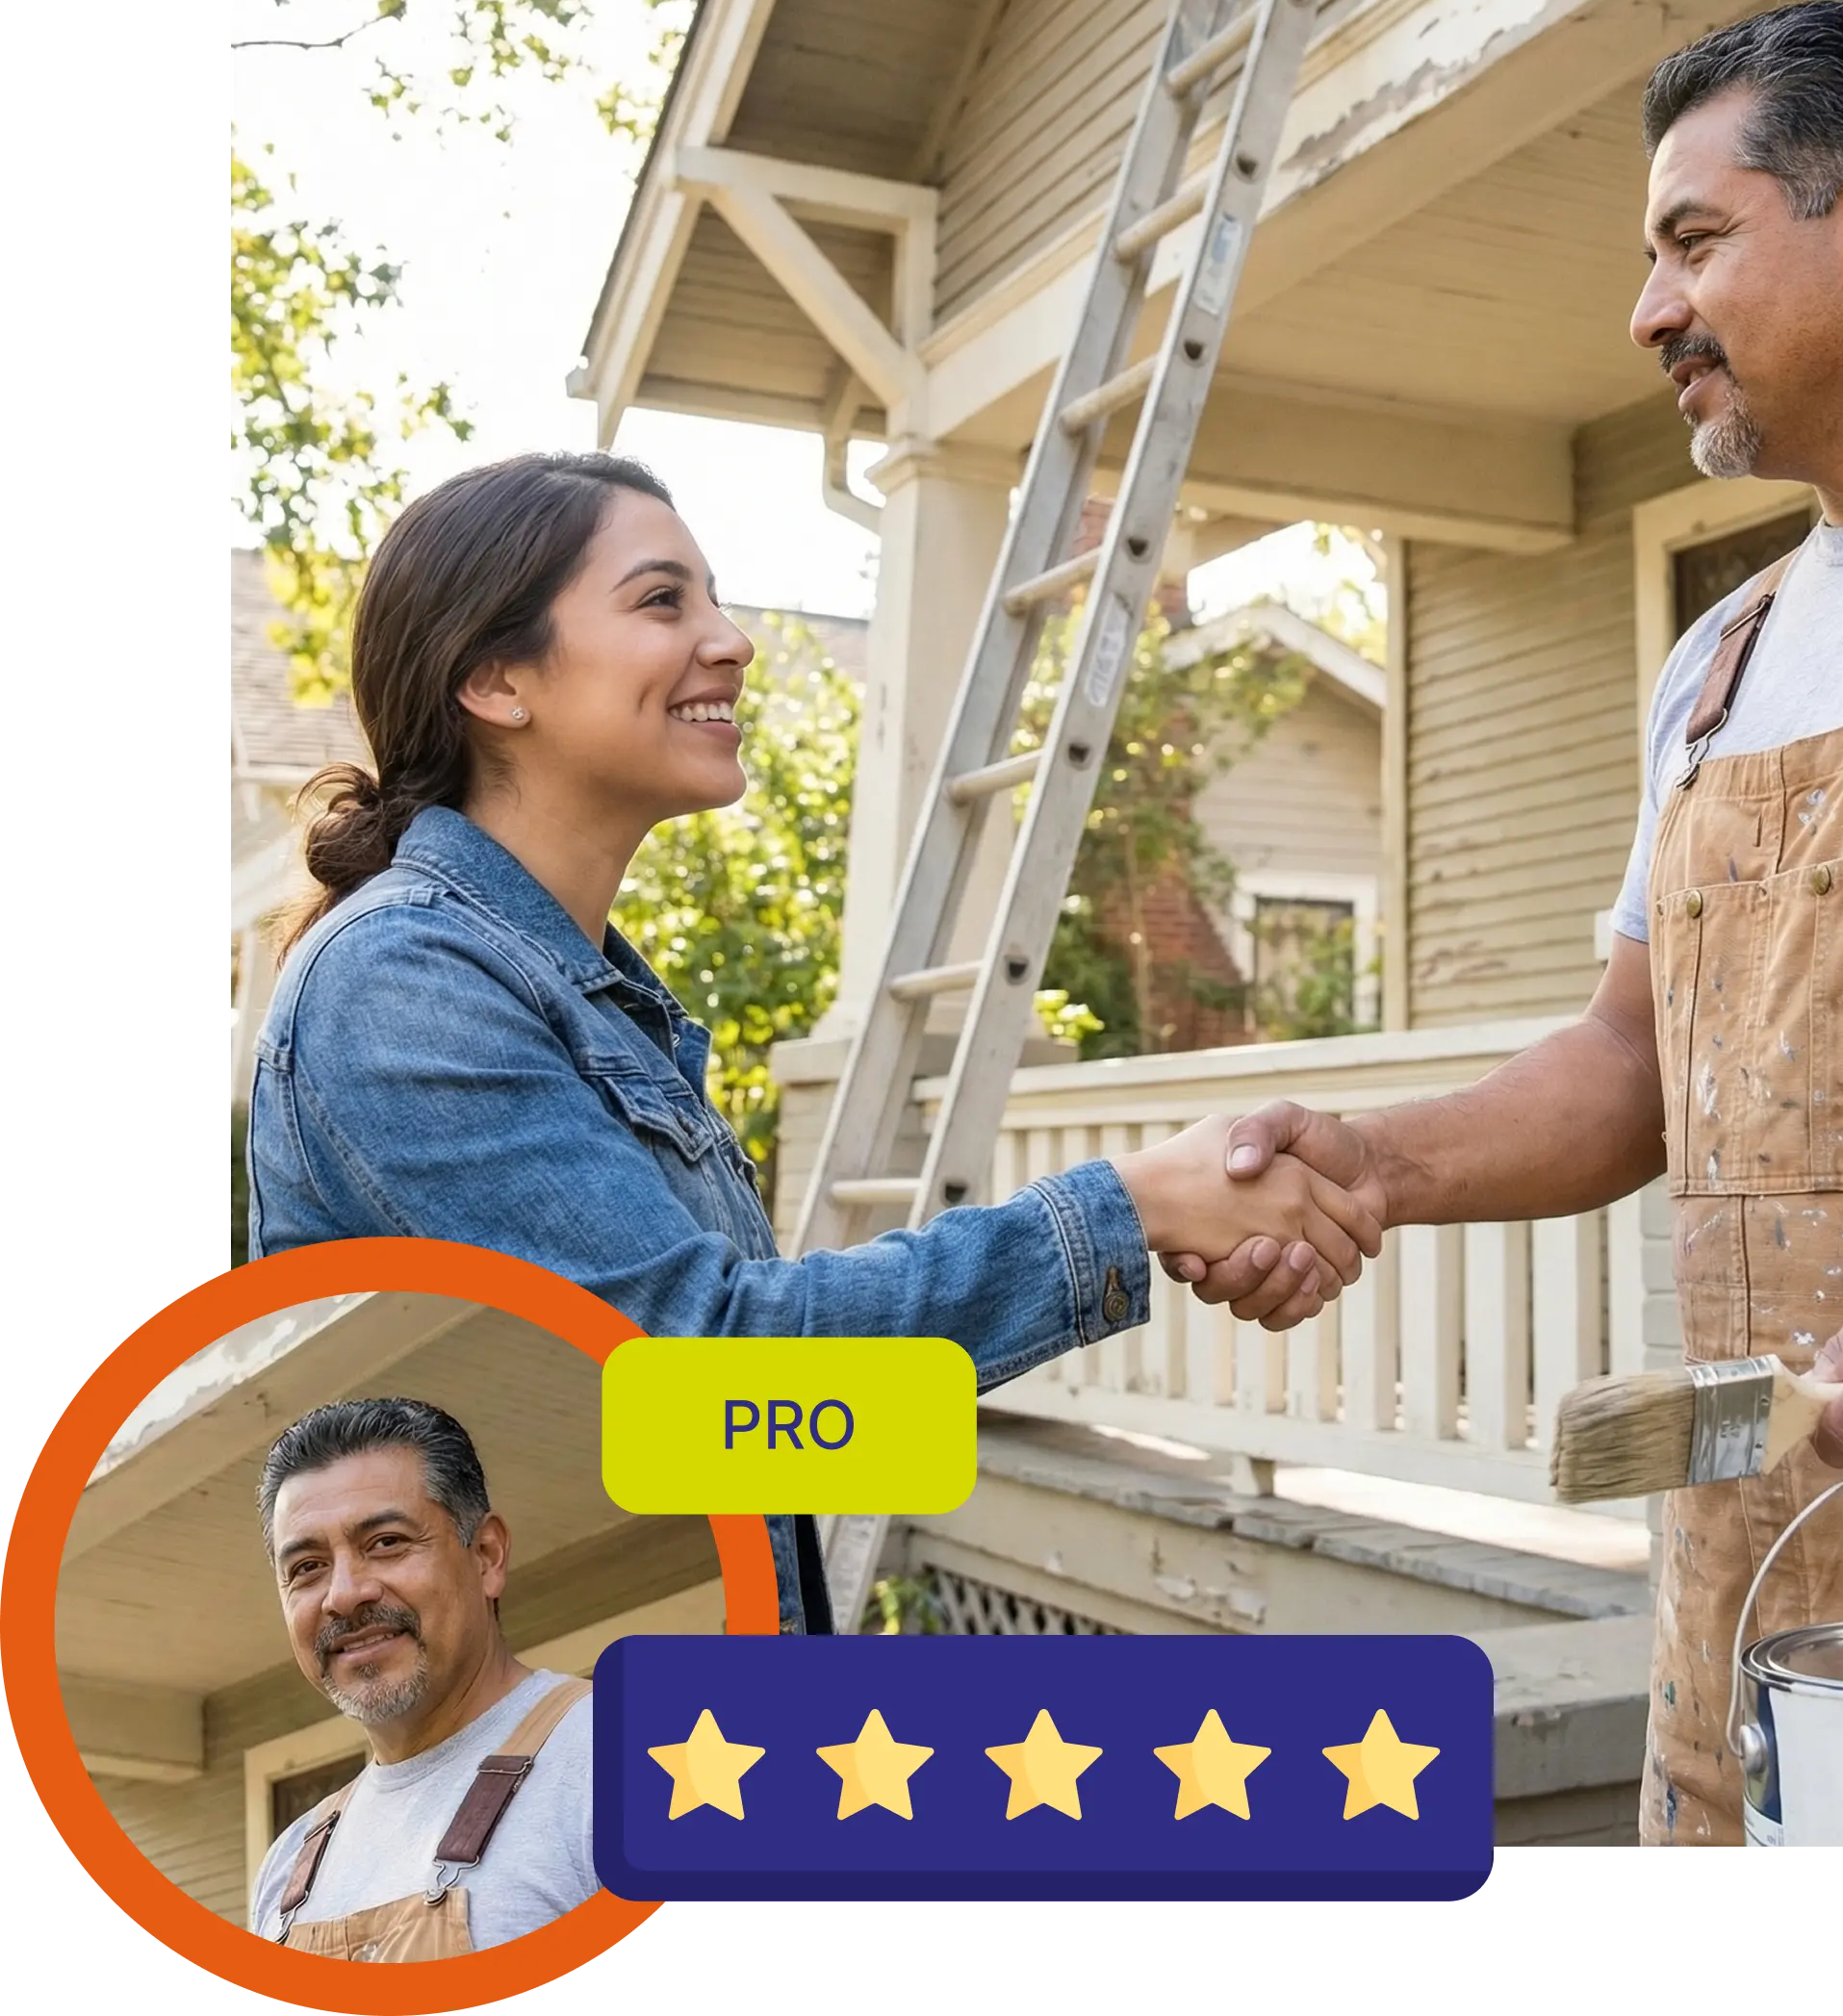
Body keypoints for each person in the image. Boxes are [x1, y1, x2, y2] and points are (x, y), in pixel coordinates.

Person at [1165, 0, 1843, 1845]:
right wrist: (1369, 1160)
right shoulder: (1719, 658)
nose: (1644, 312)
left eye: (1691, 239)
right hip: (1744, 1640)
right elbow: (1630, 1065)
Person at [246, 450, 1380, 1636]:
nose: (731, 640)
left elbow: (735, 1434)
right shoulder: (405, 981)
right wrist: (1130, 1212)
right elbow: (703, 1370)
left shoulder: (578, 991)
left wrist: (1164, 1235)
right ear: (494, 679)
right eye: (660, 600)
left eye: (716, 599)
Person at [249, 1399, 594, 1956]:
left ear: (486, 1555)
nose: (344, 1595)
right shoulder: (290, 1865)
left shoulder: (631, 1755)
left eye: (385, 1543)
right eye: (307, 1567)